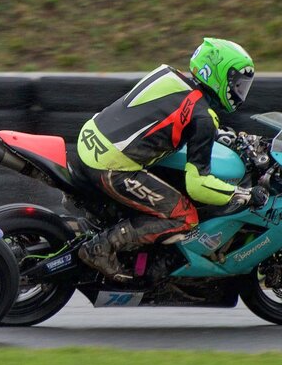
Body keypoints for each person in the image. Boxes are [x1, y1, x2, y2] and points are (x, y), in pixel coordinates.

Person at [72, 38, 259, 280]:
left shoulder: (168, 75)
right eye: (236, 83)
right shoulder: (202, 117)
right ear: (218, 75)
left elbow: (161, 114)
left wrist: (216, 133)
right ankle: (101, 247)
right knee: (184, 215)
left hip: (88, 141)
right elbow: (198, 185)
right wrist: (243, 194)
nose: (238, 91)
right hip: (110, 167)